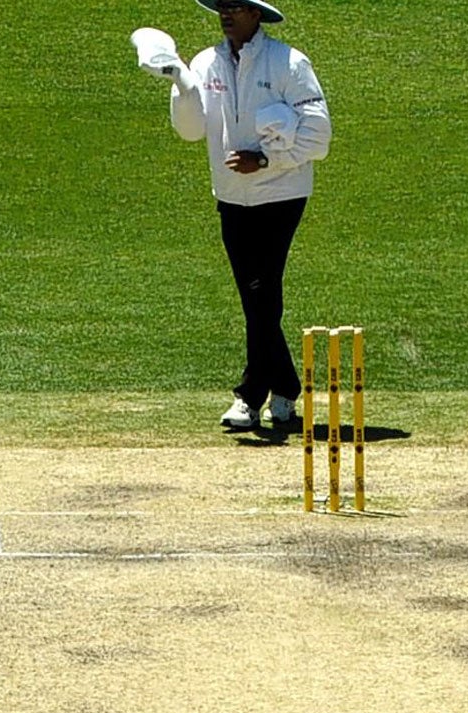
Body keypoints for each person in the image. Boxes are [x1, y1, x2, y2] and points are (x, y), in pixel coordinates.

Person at [143, 1, 331, 433]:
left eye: (236, 7)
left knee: (261, 291)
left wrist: (265, 161)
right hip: (231, 196)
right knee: (256, 300)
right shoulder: (206, 62)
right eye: (222, 6)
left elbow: (318, 137)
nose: (226, 13)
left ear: (256, 15)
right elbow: (191, 131)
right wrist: (181, 85)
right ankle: (284, 388)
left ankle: (250, 395)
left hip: (282, 194)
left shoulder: (289, 62)